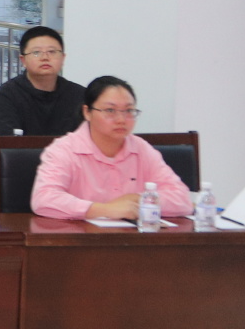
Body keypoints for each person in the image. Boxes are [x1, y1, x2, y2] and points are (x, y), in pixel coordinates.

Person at [32, 76, 194, 221]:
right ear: (87, 112)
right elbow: (44, 199)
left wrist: (137, 199)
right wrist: (104, 210)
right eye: (110, 110)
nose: (121, 119)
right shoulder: (64, 150)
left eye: (129, 111)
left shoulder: (142, 149)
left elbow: (183, 199)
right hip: (80, 240)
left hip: (134, 240)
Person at [0, 26, 86, 136]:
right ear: (23, 60)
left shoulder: (80, 95)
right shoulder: (7, 95)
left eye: (52, 51)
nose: (45, 57)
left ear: (63, 58)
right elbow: (6, 142)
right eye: (36, 52)